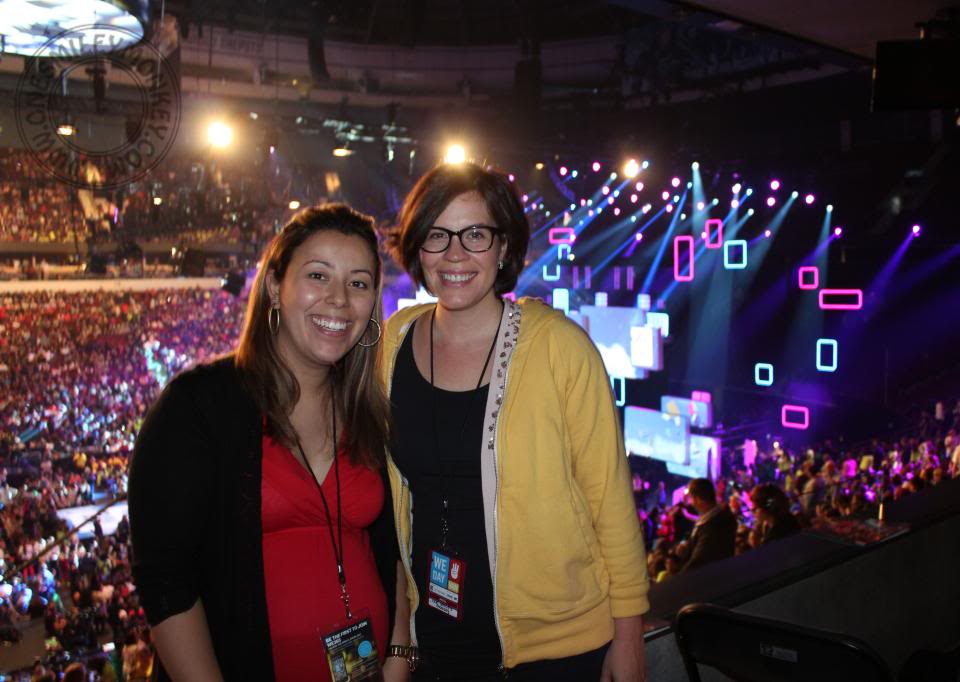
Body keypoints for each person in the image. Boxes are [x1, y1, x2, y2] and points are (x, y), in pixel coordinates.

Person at [384, 162, 649, 680]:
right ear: (417, 247)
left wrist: (629, 639)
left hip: (556, 650)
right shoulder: (391, 343)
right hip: (436, 639)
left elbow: (610, 504)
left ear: (503, 247)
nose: (454, 254)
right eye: (437, 235)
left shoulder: (558, 346)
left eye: (475, 234)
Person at [129, 204, 410, 681]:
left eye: (358, 283)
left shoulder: (371, 411)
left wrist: (399, 660)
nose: (340, 299)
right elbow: (166, 582)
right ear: (276, 287)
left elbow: (393, 550)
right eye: (318, 275)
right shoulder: (198, 406)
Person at [675, 478, 737, 572]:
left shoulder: (713, 525)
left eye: (691, 498)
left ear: (698, 499)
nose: (691, 503)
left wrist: (676, 580)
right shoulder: (715, 517)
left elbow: (698, 562)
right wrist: (687, 547)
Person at [748, 483, 800, 548]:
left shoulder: (778, 532)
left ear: (767, 508)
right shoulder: (787, 519)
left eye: (755, 509)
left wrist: (757, 546)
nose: (753, 512)